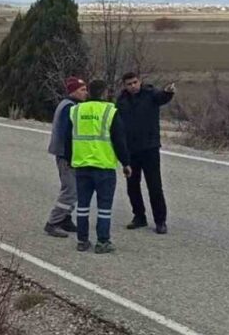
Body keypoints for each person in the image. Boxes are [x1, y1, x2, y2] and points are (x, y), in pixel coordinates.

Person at [65, 79, 131, 254]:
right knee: (104, 207)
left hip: (82, 165)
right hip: (103, 166)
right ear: (104, 92)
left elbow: (67, 138)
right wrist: (126, 163)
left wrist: (70, 159)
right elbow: (119, 140)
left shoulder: (76, 110)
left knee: (83, 206)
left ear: (89, 92)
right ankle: (102, 241)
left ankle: (82, 240)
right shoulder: (110, 111)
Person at [116, 72, 176, 234]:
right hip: (130, 150)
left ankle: (160, 221)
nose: (133, 86)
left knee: (155, 186)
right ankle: (139, 216)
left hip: (150, 148)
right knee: (132, 186)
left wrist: (168, 92)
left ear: (139, 81)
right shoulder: (121, 101)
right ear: (125, 85)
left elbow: (162, 97)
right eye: (129, 84)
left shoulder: (150, 94)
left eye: (135, 82)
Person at [44, 77, 89, 238]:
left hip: (70, 155)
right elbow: (67, 135)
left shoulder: (72, 105)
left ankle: (65, 218)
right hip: (66, 155)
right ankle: (53, 222)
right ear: (73, 91)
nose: (86, 93)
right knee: (70, 190)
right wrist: (71, 157)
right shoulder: (68, 108)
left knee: (75, 189)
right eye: (82, 90)